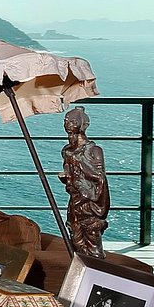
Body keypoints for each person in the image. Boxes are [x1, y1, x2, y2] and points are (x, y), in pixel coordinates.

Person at [59, 106, 111, 260]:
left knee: (93, 242)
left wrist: (80, 162)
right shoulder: (67, 151)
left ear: (82, 124)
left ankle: (97, 271)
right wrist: (67, 177)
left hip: (90, 202)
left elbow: (99, 177)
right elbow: (70, 176)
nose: (68, 124)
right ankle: (80, 267)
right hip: (75, 201)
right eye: (66, 120)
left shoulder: (94, 151)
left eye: (72, 121)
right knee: (75, 239)